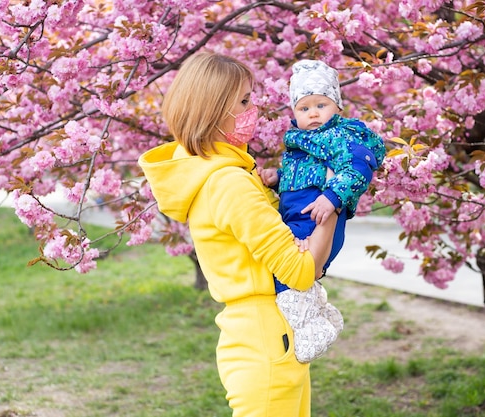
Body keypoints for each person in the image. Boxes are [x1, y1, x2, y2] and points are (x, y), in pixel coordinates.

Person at [138, 52, 337, 417]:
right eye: (244, 101)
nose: (254, 108)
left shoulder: (217, 176)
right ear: (213, 111)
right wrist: (334, 201)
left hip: (257, 331)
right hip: (266, 336)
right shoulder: (229, 183)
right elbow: (301, 271)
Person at [258, 59, 386, 363]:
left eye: (321, 105)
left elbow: (358, 167)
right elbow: (301, 174)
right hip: (296, 214)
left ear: (337, 107)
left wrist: (332, 196)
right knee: (286, 266)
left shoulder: (343, 136)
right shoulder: (299, 141)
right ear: (294, 113)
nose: (313, 113)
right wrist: (278, 178)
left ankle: (308, 330)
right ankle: (319, 314)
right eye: (304, 108)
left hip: (318, 214)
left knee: (285, 272)